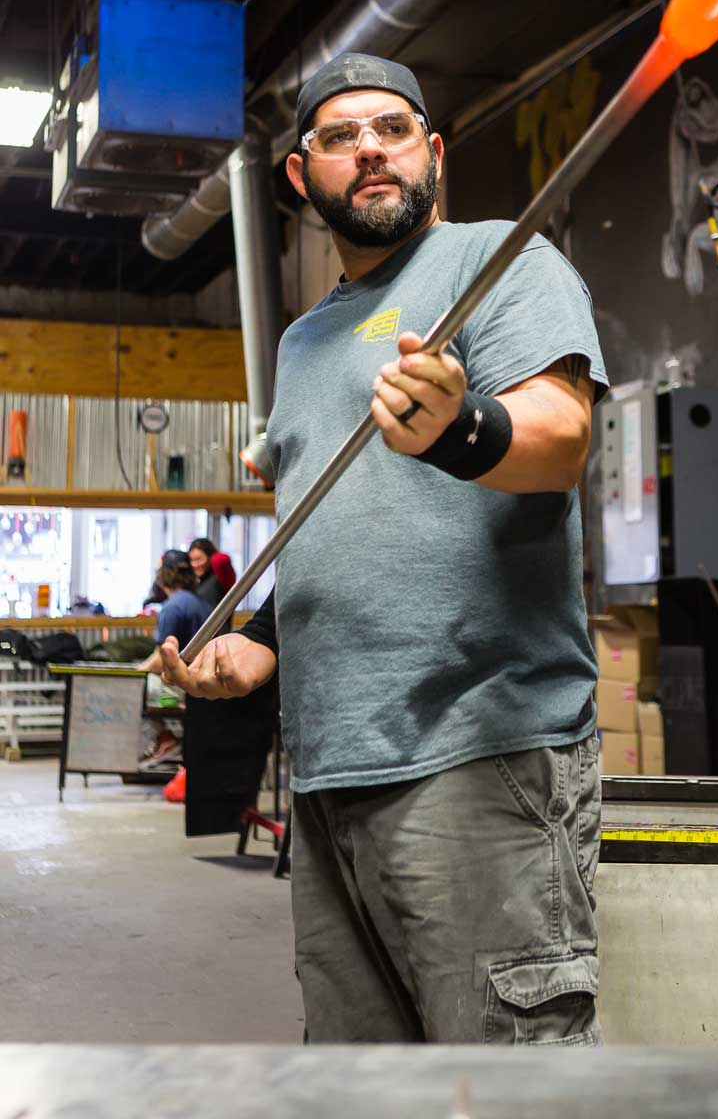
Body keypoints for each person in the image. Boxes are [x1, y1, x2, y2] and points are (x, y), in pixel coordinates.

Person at [158, 51, 608, 1046]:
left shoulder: (501, 260)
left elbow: (559, 437)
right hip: (329, 770)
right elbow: (325, 518)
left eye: (394, 129)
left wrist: (462, 427)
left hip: (478, 757)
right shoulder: (304, 343)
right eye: (339, 136)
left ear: (433, 154)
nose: (370, 149)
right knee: (360, 1086)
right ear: (301, 175)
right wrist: (260, 646)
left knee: (502, 1084)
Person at [139, 550, 209, 769]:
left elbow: (162, 659)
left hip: (180, 687)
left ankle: (165, 739)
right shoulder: (202, 603)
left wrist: (135, 672)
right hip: (202, 683)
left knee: (129, 692)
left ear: (164, 575)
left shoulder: (172, 608)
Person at [189, 538, 227, 611]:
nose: (195, 564)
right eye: (192, 560)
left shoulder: (218, 580)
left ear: (211, 557)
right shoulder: (199, 581)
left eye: (199, 559)